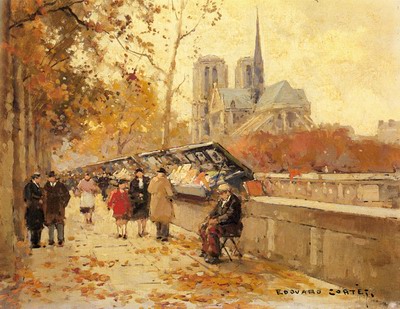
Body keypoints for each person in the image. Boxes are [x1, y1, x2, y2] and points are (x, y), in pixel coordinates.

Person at [199, 183, 242, 264]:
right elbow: (214, 211)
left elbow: (229, 215)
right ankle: (205, 251)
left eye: (221, 193)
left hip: (232, 226)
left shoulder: (234, 201)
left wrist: (217, 220)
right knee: (203, 227)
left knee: (212, 230)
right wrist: (208, 218)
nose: (220, 195)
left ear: (228, 192)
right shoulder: (221, 200)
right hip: (222, 224)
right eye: (219, 193)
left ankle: (214, 255)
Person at [43, 171, 71, 246]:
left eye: (52, 177)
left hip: (59, 207)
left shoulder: (61, 185)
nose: (51, 179)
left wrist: (64, 204)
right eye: (49, 177)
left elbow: (67, 195)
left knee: (60, 223)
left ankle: (60, 239)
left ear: (55, 178)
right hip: (50, 208)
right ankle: (51, 239)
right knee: (50, 223)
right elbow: (44, 197)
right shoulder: (46, 186)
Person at [148, 168, 174, 242]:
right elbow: (169, 192)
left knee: (157, 217)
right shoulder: (165, 180)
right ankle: (164, 235)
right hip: (163, 201)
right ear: (164, 173)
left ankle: (158, 234)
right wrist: (172, 196)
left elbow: (149, 190)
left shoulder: (153, 180)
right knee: (165, 218)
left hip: (154, 201)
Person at [24, 172, 45, 249]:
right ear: (35, 178)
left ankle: (37, 242)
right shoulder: (29, 186)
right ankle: (34, 242)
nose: (40, 180)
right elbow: (29, 196)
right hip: (33, 208)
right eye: (39, 178)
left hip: (38, 208)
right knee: (33, 225)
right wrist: (38, 199)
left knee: (39, 224)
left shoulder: (37, 185)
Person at [129, 168, 150, 237]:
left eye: (140, 173)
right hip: (137, 201)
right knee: (138, 217)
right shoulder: (133, 182)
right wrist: (138, 194)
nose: (139, 174)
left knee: (145, 217)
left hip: (145, 200)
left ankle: (144, 230)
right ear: (136, 174)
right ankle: (139, 231)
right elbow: (131, 191)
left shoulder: (147, 180)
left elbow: (149, 189)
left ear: (143, 173)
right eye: (138, 173)